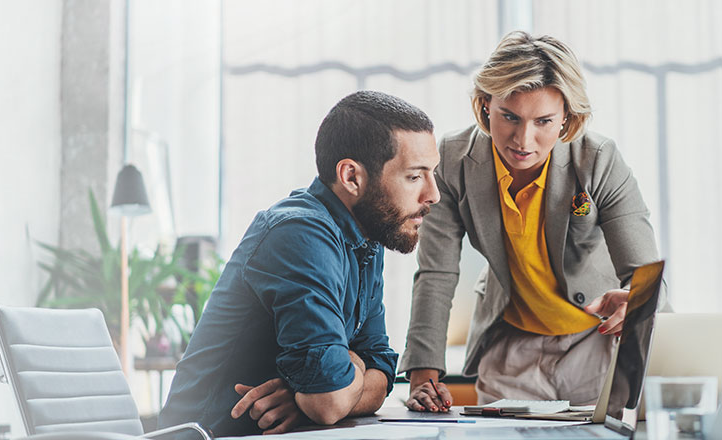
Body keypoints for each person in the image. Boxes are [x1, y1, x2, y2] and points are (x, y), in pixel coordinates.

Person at [399, 31, 662, 412]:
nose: (524, 139)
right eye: (509, 116)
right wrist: (423, 375)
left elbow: (645, 274)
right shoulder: (453, 161)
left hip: (595, 346)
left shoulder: (598, 159)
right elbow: (436, 272)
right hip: (511, 350)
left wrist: (635, 303)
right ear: (485, 104)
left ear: (566, 119)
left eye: (543, 121)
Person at [158, 90, 440, 436]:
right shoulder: (300, 232)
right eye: (415, 176)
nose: (433, 194)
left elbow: (379, 368)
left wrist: (305, 393)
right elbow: (329, 401)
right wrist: (335, 381)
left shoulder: (368, 237)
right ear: (352, 177)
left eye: (432, 174)